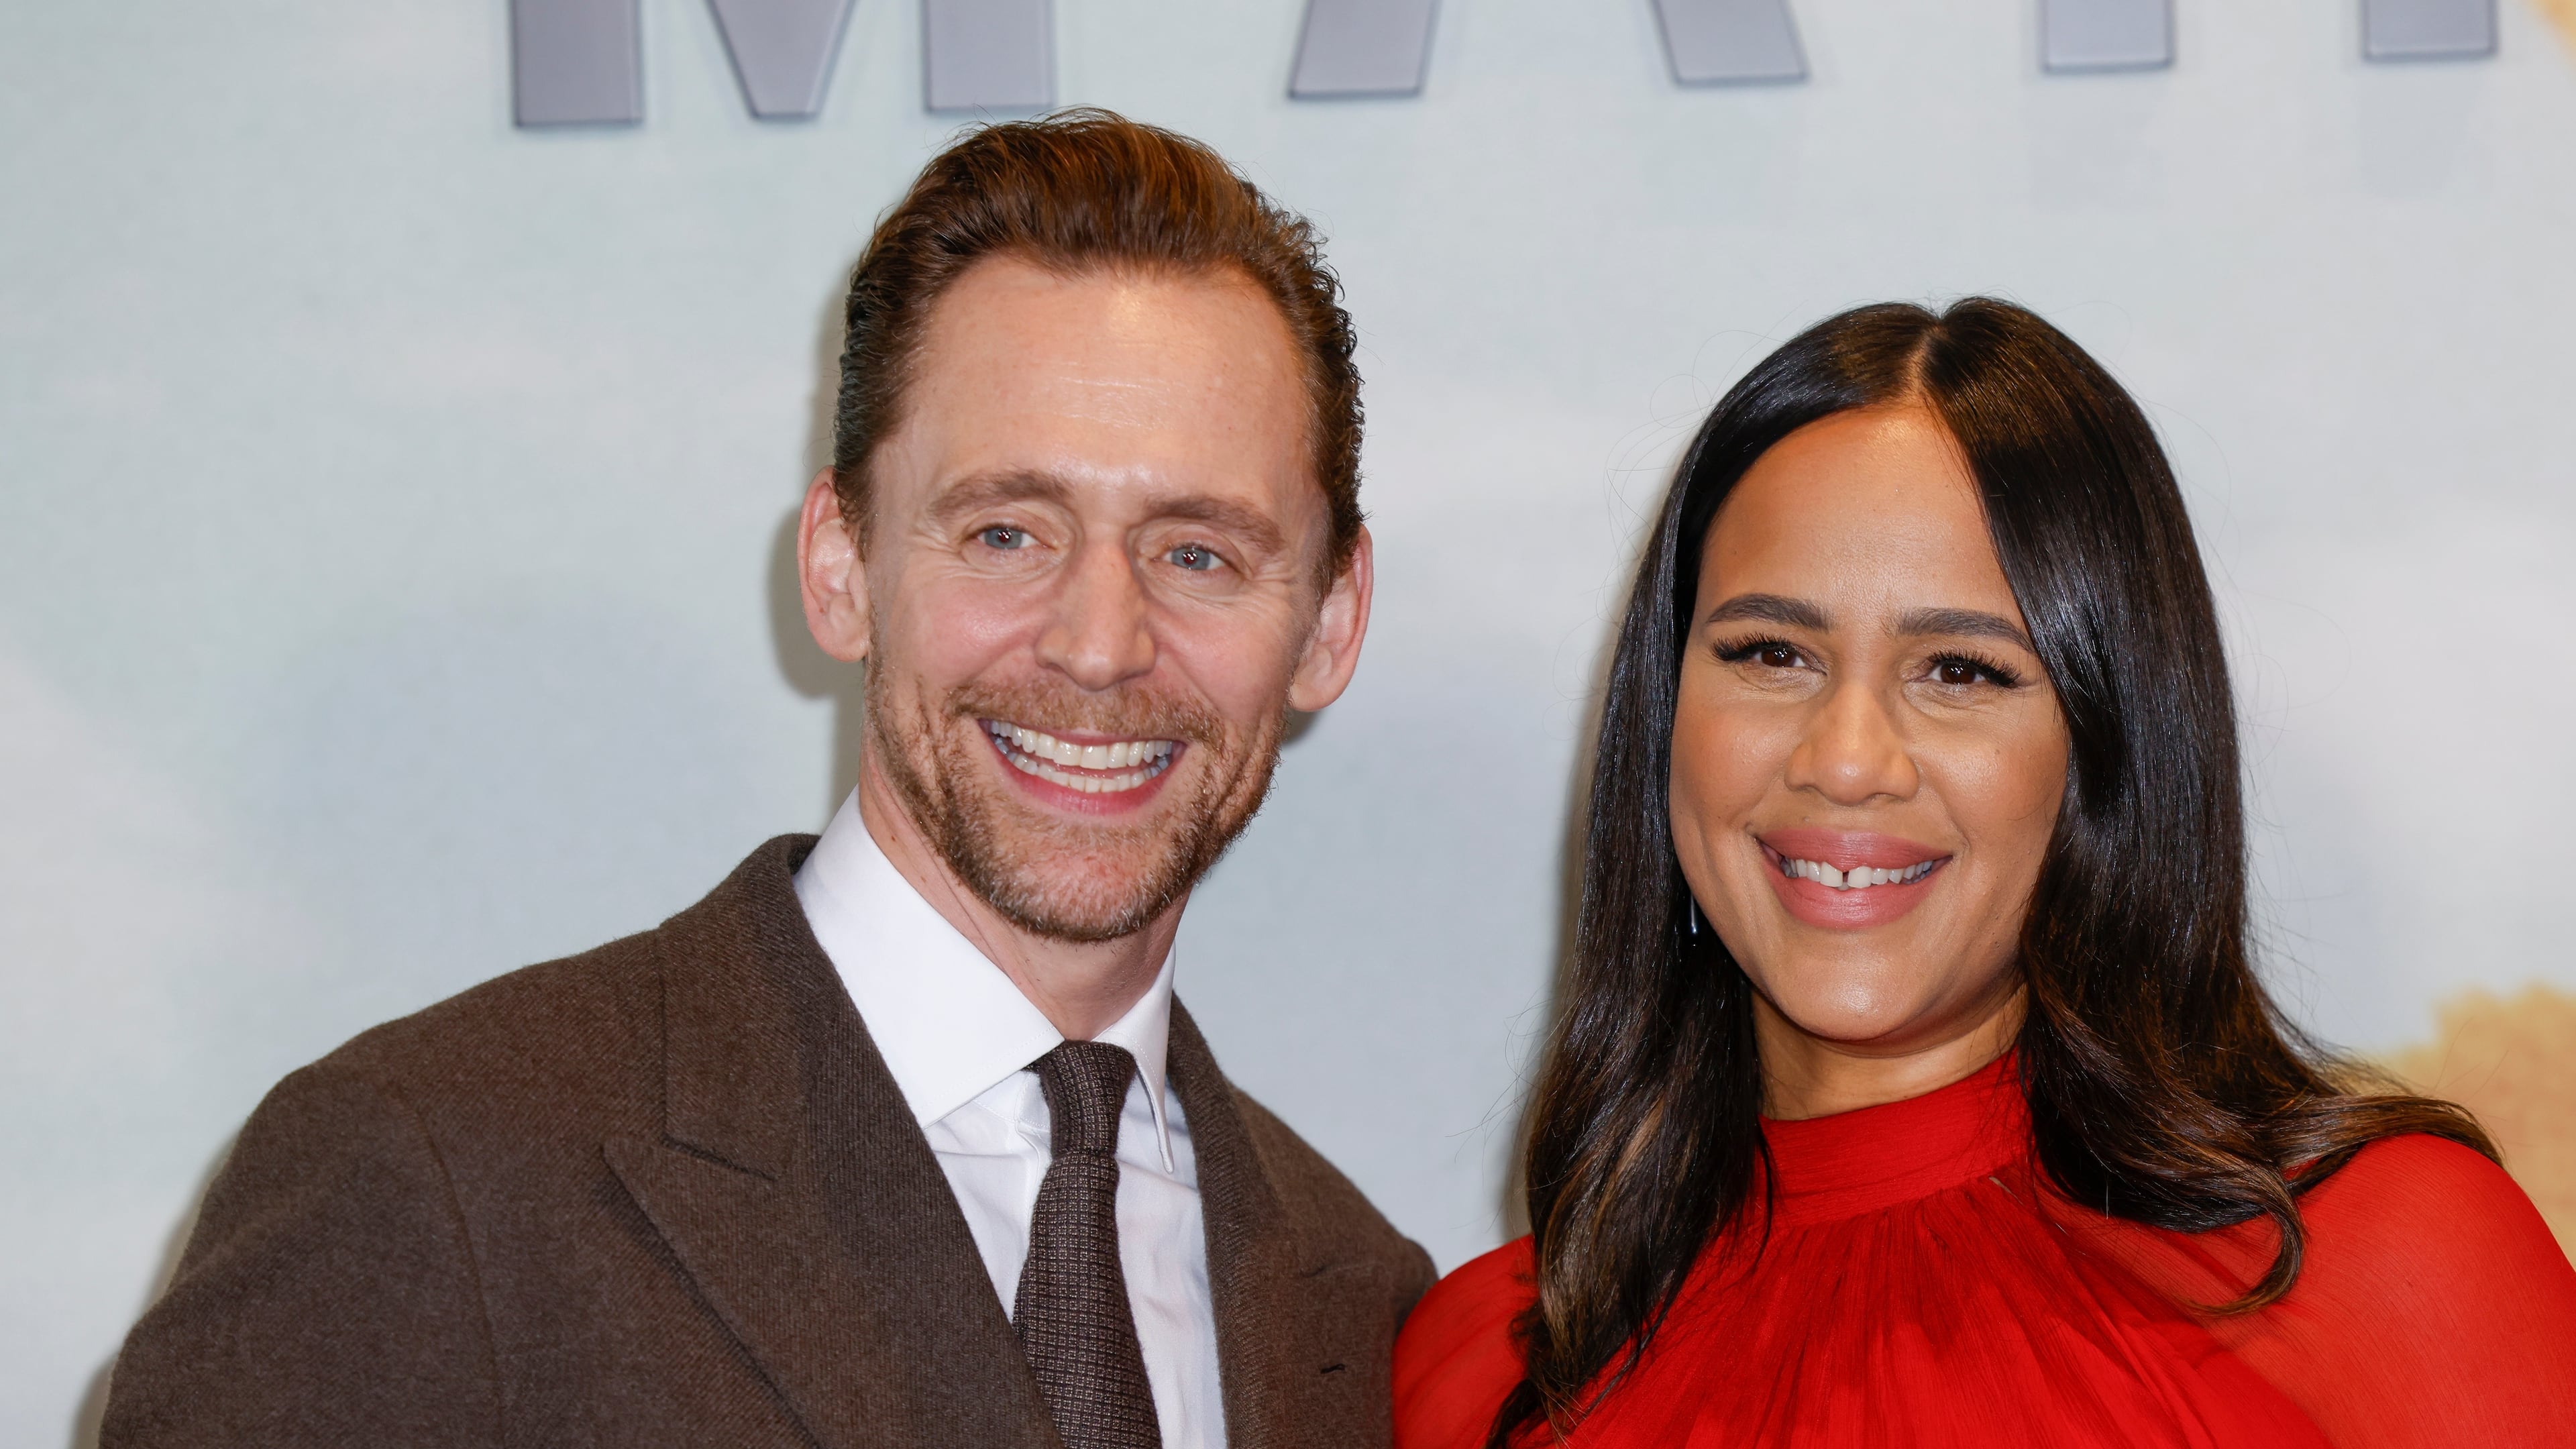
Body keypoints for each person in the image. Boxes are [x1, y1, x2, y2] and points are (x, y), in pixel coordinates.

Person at [104, 111, 1433, 1449]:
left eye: (1198, 553)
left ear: (1329, 620)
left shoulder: (1366, 1305)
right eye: (1006, 533)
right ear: (840, 568)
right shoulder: (431, 1179)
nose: (1099, 645)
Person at [1393, 299, 2576, 1448]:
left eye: (1960, 670)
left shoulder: (2388, 1265)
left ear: (2106, 745)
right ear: (1662, 713)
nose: (1847, 760)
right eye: (1771, 652)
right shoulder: (1486, 1367)